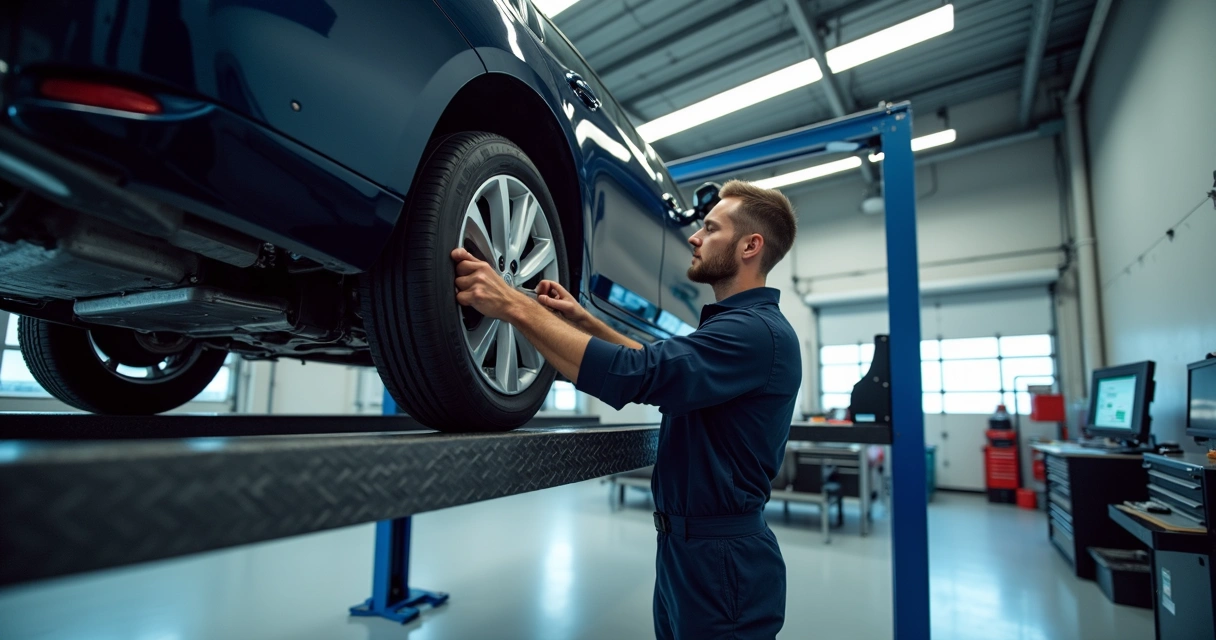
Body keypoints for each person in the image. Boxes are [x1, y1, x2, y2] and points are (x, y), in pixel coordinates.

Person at [451, 179, 801, 639]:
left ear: (750, 246)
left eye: (711, 229)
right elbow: (660, 366)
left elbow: (639, 375)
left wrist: (512, 304)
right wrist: (584, 322)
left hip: (722, 560)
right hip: (688, 549)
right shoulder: (741, 328)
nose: (694, 238)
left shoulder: (755, 333)